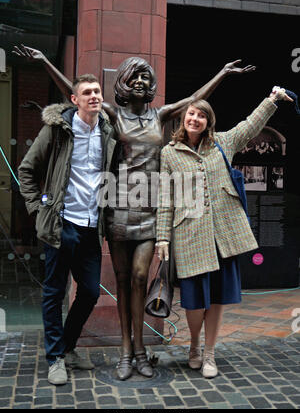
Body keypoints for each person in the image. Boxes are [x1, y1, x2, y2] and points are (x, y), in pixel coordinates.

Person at [13, 44, 255, 380]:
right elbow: (77, 93)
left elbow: (194, 100)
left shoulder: (160, 115)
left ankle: (140, 350)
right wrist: (44, 64)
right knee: (124, 281)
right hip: (117, 211)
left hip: (149, 212)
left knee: (141, 278)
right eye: (134, 75)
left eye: (145, 75)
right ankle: (127, 353)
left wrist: (223, 75)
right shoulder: (113, 115)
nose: (140, 80)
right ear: (124, 82)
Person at [156, 86, 292, 379]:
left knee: (216, 298)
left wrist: (271, 99)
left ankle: (209, 353)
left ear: (208, 122)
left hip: (223, 236)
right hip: (189, 235)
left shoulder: (222, 143)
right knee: (193, 301)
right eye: (192, 113)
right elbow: (165, 198)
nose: (195, 119)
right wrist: (162, 238)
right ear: (184, 118)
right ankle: (193, 345)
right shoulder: (169, 153)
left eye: (202, 116)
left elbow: (249, 126)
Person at [18, 74, 116, 385]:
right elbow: (27, 171)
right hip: (61, 225)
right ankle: (55, 358)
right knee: (54, 292)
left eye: (97, 91)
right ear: (74, 100)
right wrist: (38, 209)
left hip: (90, 226)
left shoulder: (107, 131)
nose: (94, 96)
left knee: (88, 292)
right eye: (87, 92)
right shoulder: (57, 130)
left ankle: (68, 346)